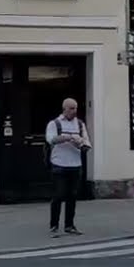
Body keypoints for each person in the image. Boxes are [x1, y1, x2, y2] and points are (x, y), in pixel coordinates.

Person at [46, 98, 90, 236]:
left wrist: (80, 143)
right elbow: (51, 139)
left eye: (75, 108)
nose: (74, 111)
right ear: (64, 108)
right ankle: (54, 225)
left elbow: (87, 145)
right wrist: (68, 137)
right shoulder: (55, 123)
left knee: (72, 196)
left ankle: (69, 225)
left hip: (75, 165)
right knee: (58, 195)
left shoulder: (80, 124)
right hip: (59, 164)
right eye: (71, 108)